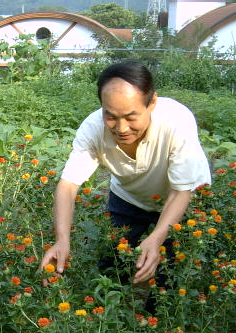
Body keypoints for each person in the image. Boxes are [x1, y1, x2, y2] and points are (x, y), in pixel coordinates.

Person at [40, 60, 211, 287]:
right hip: (129, 196)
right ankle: (109, 313)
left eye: (131, 117)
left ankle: (157, 317)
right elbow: (68, 185)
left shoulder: (177, 121)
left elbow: (181, 191)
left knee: (170, 274)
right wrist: (62, 240)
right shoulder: (93, 128)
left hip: (182, 197)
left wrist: (157, 238)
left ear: (152, 103)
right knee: (111, 264)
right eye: (110, 116)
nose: (121, 128)